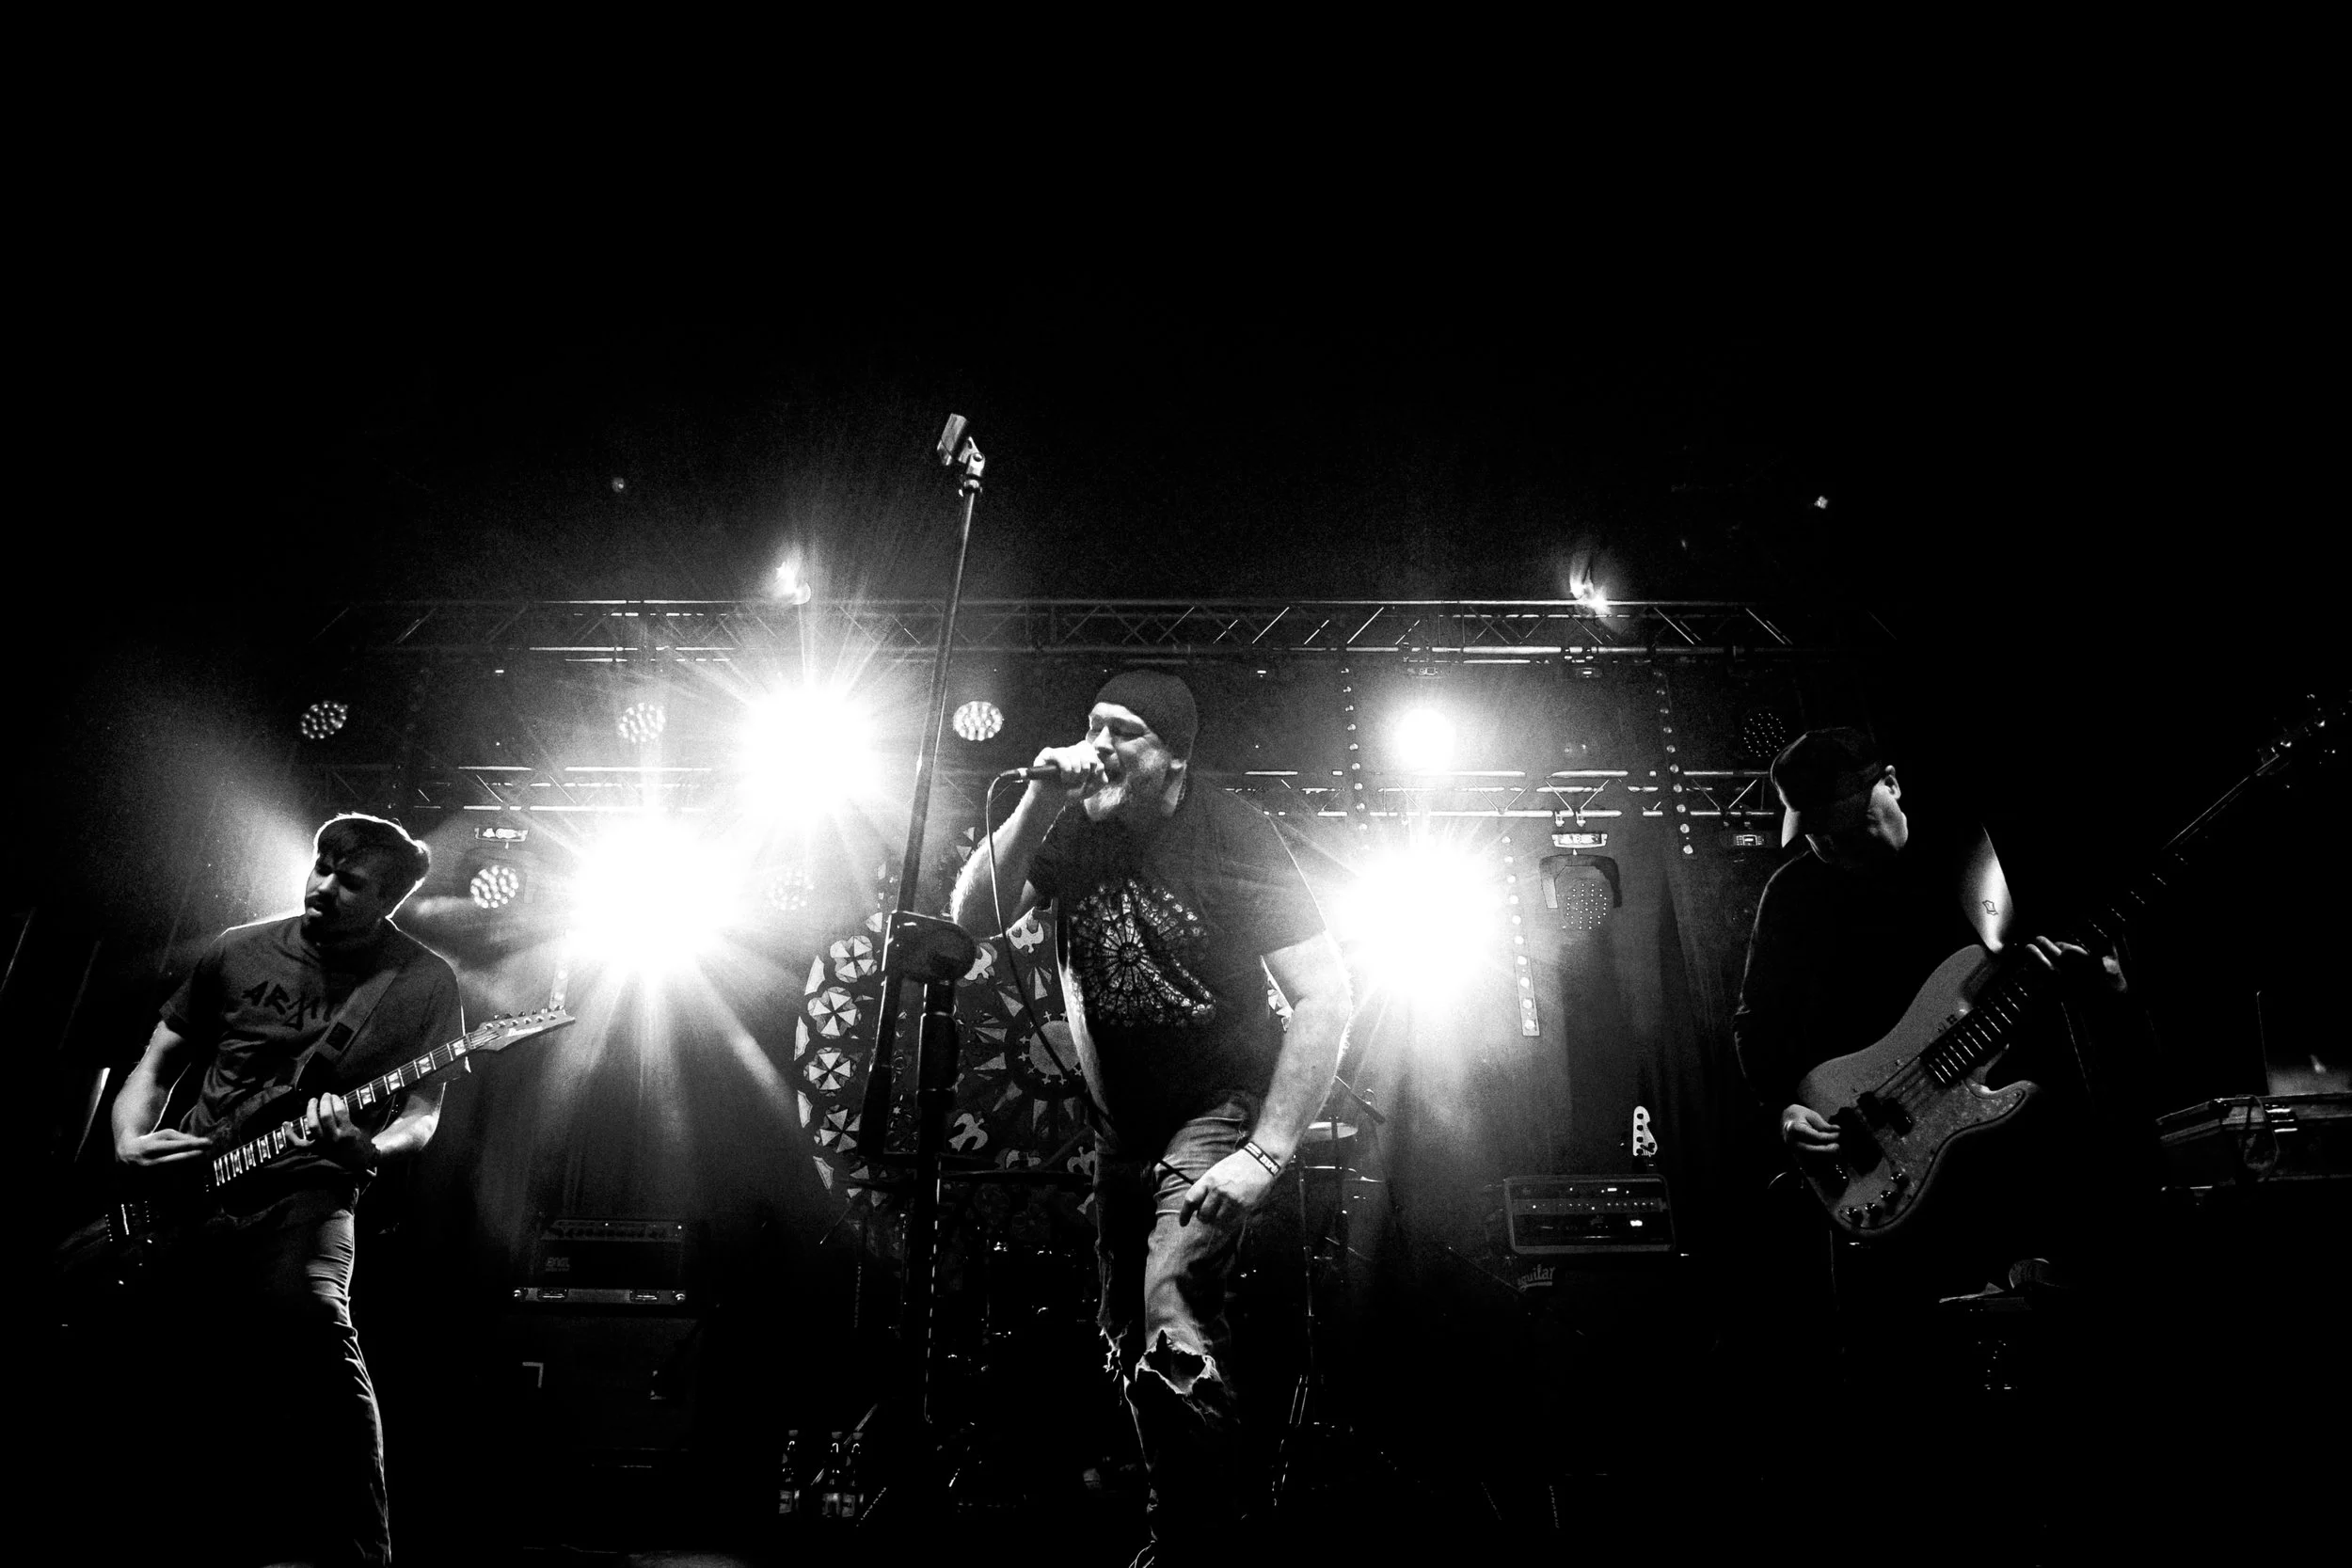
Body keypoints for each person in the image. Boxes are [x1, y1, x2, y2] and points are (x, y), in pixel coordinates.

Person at [949, 671, 1353, 1566]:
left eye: (1123, 731)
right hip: (1119, 1130)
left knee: (1171, 1299)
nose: (1098, 744)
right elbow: (971, 919)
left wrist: (1267, 1151)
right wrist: (1037, 800)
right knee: (1127, 1337)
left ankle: (1195, 1553)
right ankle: (1198, 1524)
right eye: (1092, 723)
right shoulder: (1074, 827)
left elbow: (1327, 994)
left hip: (1216, 1109)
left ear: (1172, 756)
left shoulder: (1232, 831)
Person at [109, 812, 464, 1567]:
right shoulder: (238, 947)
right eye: (321, 865)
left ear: (389, 899)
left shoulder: (424, 981)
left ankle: (363, 1554)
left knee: (315, 1321)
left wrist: (368, 1147)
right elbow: (157, 1060)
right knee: (153, 1357)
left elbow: (423, 1112)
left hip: (312, 1186)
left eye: (350, 880)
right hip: (193, 1185)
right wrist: (130, 1139)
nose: (324, 886)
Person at [1733, 726, 2149, 1315]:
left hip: (2023, 1152)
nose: (1835, 845)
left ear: (1892, 784)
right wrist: (1785, 1109)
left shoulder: (1972, 856)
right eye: (1818, 833)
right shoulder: (1793, 893)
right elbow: (1757, 1024)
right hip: (1881, 1160)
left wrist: (2106, 987)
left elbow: (2090, 989)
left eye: (1848, 823)